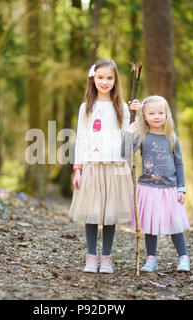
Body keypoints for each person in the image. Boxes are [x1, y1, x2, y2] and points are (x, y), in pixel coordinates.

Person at [69, 59, 135, 274]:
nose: (105, 82)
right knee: (92, 212)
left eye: (109, 78)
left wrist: (137, 120)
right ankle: (91, 256)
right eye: (101, 78)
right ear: (93, 79)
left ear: (115, 80)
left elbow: (127, 139)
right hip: (91, 165)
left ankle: (106, 257)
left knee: (109, 213)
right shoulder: (86, 107)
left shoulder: (121, 108)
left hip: (114, 166)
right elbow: (81, 138)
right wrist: (77, 169)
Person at [122, 95, 191, 272]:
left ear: (167, 115)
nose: (156, 116)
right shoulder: (143, 136)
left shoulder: (172, 138)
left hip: (169, 188)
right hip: (148, 188)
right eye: (151, 113)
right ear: (144, 116)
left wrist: (181, 188)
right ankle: (151, 259)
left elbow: (179, 164)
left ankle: (183, 258)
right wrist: (128, 134)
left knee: (175, 225)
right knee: (150, 226)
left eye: (160, 113)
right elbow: (124, 153)